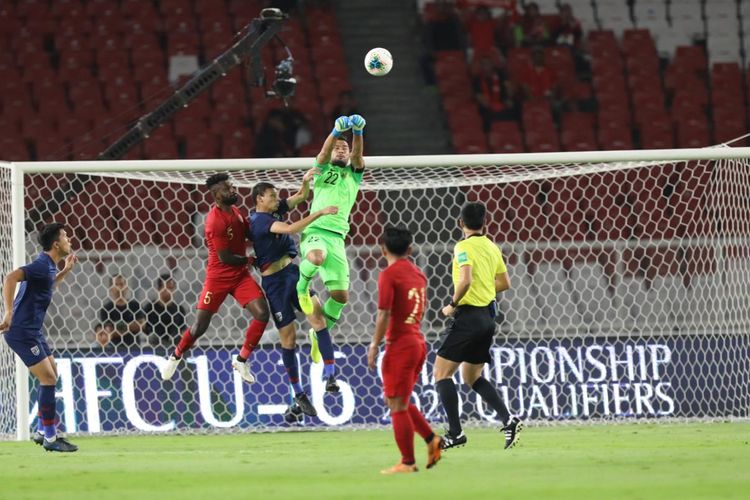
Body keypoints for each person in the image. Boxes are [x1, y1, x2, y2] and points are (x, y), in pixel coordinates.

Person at [161, 173, 269, 384]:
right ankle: (175, 357)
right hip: (218, 278)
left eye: (232, 187)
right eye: (227, 189)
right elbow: (225, 257)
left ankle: (241, 360)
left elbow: (249, 232)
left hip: (239, 277)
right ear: (216, 195)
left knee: (263, 314)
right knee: (200, 327)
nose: (233, 191)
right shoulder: (214, 222)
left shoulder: (236, 211)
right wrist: (249, 260)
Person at [249, 170, 338, 417]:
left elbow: (301, 196)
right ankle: (298, 395)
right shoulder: (259, 221)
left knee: (318, 318)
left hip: (293, 274)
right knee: (289, 339)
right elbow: (290, 229)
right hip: (274, 284)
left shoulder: (275, 210)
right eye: (272, 196)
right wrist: (318, 213)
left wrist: (306, 181)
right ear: (259, 199)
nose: (277, 199)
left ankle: (331, 375)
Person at [434, 202, 522, 450]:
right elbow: (505, 282)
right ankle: (508, 420)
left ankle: (455, 433)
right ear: (485, 223)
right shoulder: (492, 247)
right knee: (472, 377)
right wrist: (484, 290)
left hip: (469, 317)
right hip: (487, 319)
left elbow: (465, 279)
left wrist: (452, 304)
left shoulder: (462, 246)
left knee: (441, 374)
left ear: (460, 223)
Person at [294, 114, 366, 389]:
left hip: (338, 239)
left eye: (344, 148)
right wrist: (335, 130)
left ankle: (317, 334)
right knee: (315, 257)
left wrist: (357, 133)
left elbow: (358, 156)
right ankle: (303, 286)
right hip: (316, 231)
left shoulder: (353, 174)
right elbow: (323, 152)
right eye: (338, 146)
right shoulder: (322, 170)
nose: (341, 149)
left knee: (341, 296)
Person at [368, 226, 442, 475]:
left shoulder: (389, 275)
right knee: (397, 399)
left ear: (383, 249)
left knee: (397, 405)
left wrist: (374, 344)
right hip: (418, 342)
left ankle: (407, 462)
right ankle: (432, 439)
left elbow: (384, 313)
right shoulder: (418, 274)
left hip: (400, 344)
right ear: (410, 249)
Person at [0, 223, 78, 452]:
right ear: (56, 244)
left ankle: (44, 430)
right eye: (65, 237)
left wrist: (65, 271)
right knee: (48, 379)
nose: (69, 240)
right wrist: (9, 311)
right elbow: (10, 278)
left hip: (33, 331)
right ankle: (51, 439)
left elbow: (47, 285)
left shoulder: (49, 266)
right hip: (21, 332)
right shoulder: (41, 266)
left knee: (53, 371)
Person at [99, 274, 146, 347]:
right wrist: (131, 326)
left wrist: (117, 327)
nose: (119, 288)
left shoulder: (135, 305)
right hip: (114, 350)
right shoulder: (106, 309)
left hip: (134, 348)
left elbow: (141, 325)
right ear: (111, 288)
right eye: (116, 284)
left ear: (126, 287)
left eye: (121, 284)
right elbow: (109, 331)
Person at [143, 273, 187, 350]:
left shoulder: (179, 309)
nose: (169, 291)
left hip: (174, 347)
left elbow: (182, 330)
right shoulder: (149, 308)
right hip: (154, 347)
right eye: (167, 288)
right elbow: (144, 328)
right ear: (159, 289)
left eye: (171, 288)